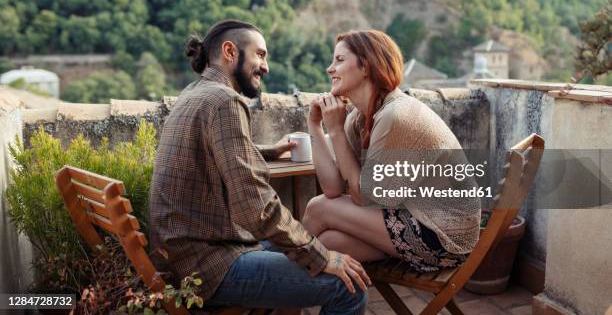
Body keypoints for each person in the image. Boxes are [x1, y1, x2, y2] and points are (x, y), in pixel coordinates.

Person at [149, 20, 369, 314]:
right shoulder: (224, 101)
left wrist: (265, 151)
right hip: (211, 266)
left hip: (184, 258)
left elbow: (211, 151)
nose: (265, 66)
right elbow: (256, 208)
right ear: (230, 51)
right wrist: (321, 258)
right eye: (260, 55)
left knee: (299, 244)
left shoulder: (194, 93)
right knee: (346, 287)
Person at [303, 30, 481, 273]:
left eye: (339, 60)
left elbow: (361, 197)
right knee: (327, 245)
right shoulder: (359, 117)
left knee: (317, 208)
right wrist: (314, 124)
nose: (330, 69)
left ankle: (272, 292)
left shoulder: (395, 115)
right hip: (409, 219)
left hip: (445, 237)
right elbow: (333, 189)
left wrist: (335, 130)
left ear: (365, 66)